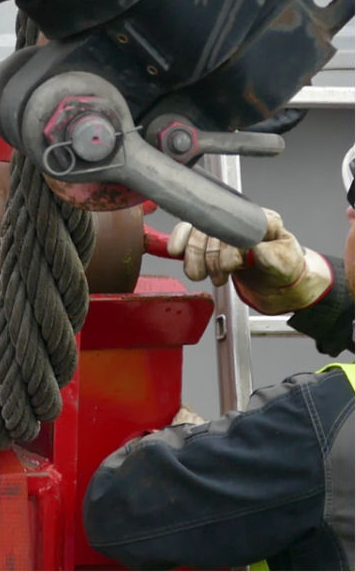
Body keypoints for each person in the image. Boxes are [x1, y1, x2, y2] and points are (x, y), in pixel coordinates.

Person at [82, 145, 355, 570]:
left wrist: (198, 446)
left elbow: (121, 506)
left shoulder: (318, 432)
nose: (348, 214)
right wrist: (309, 282)